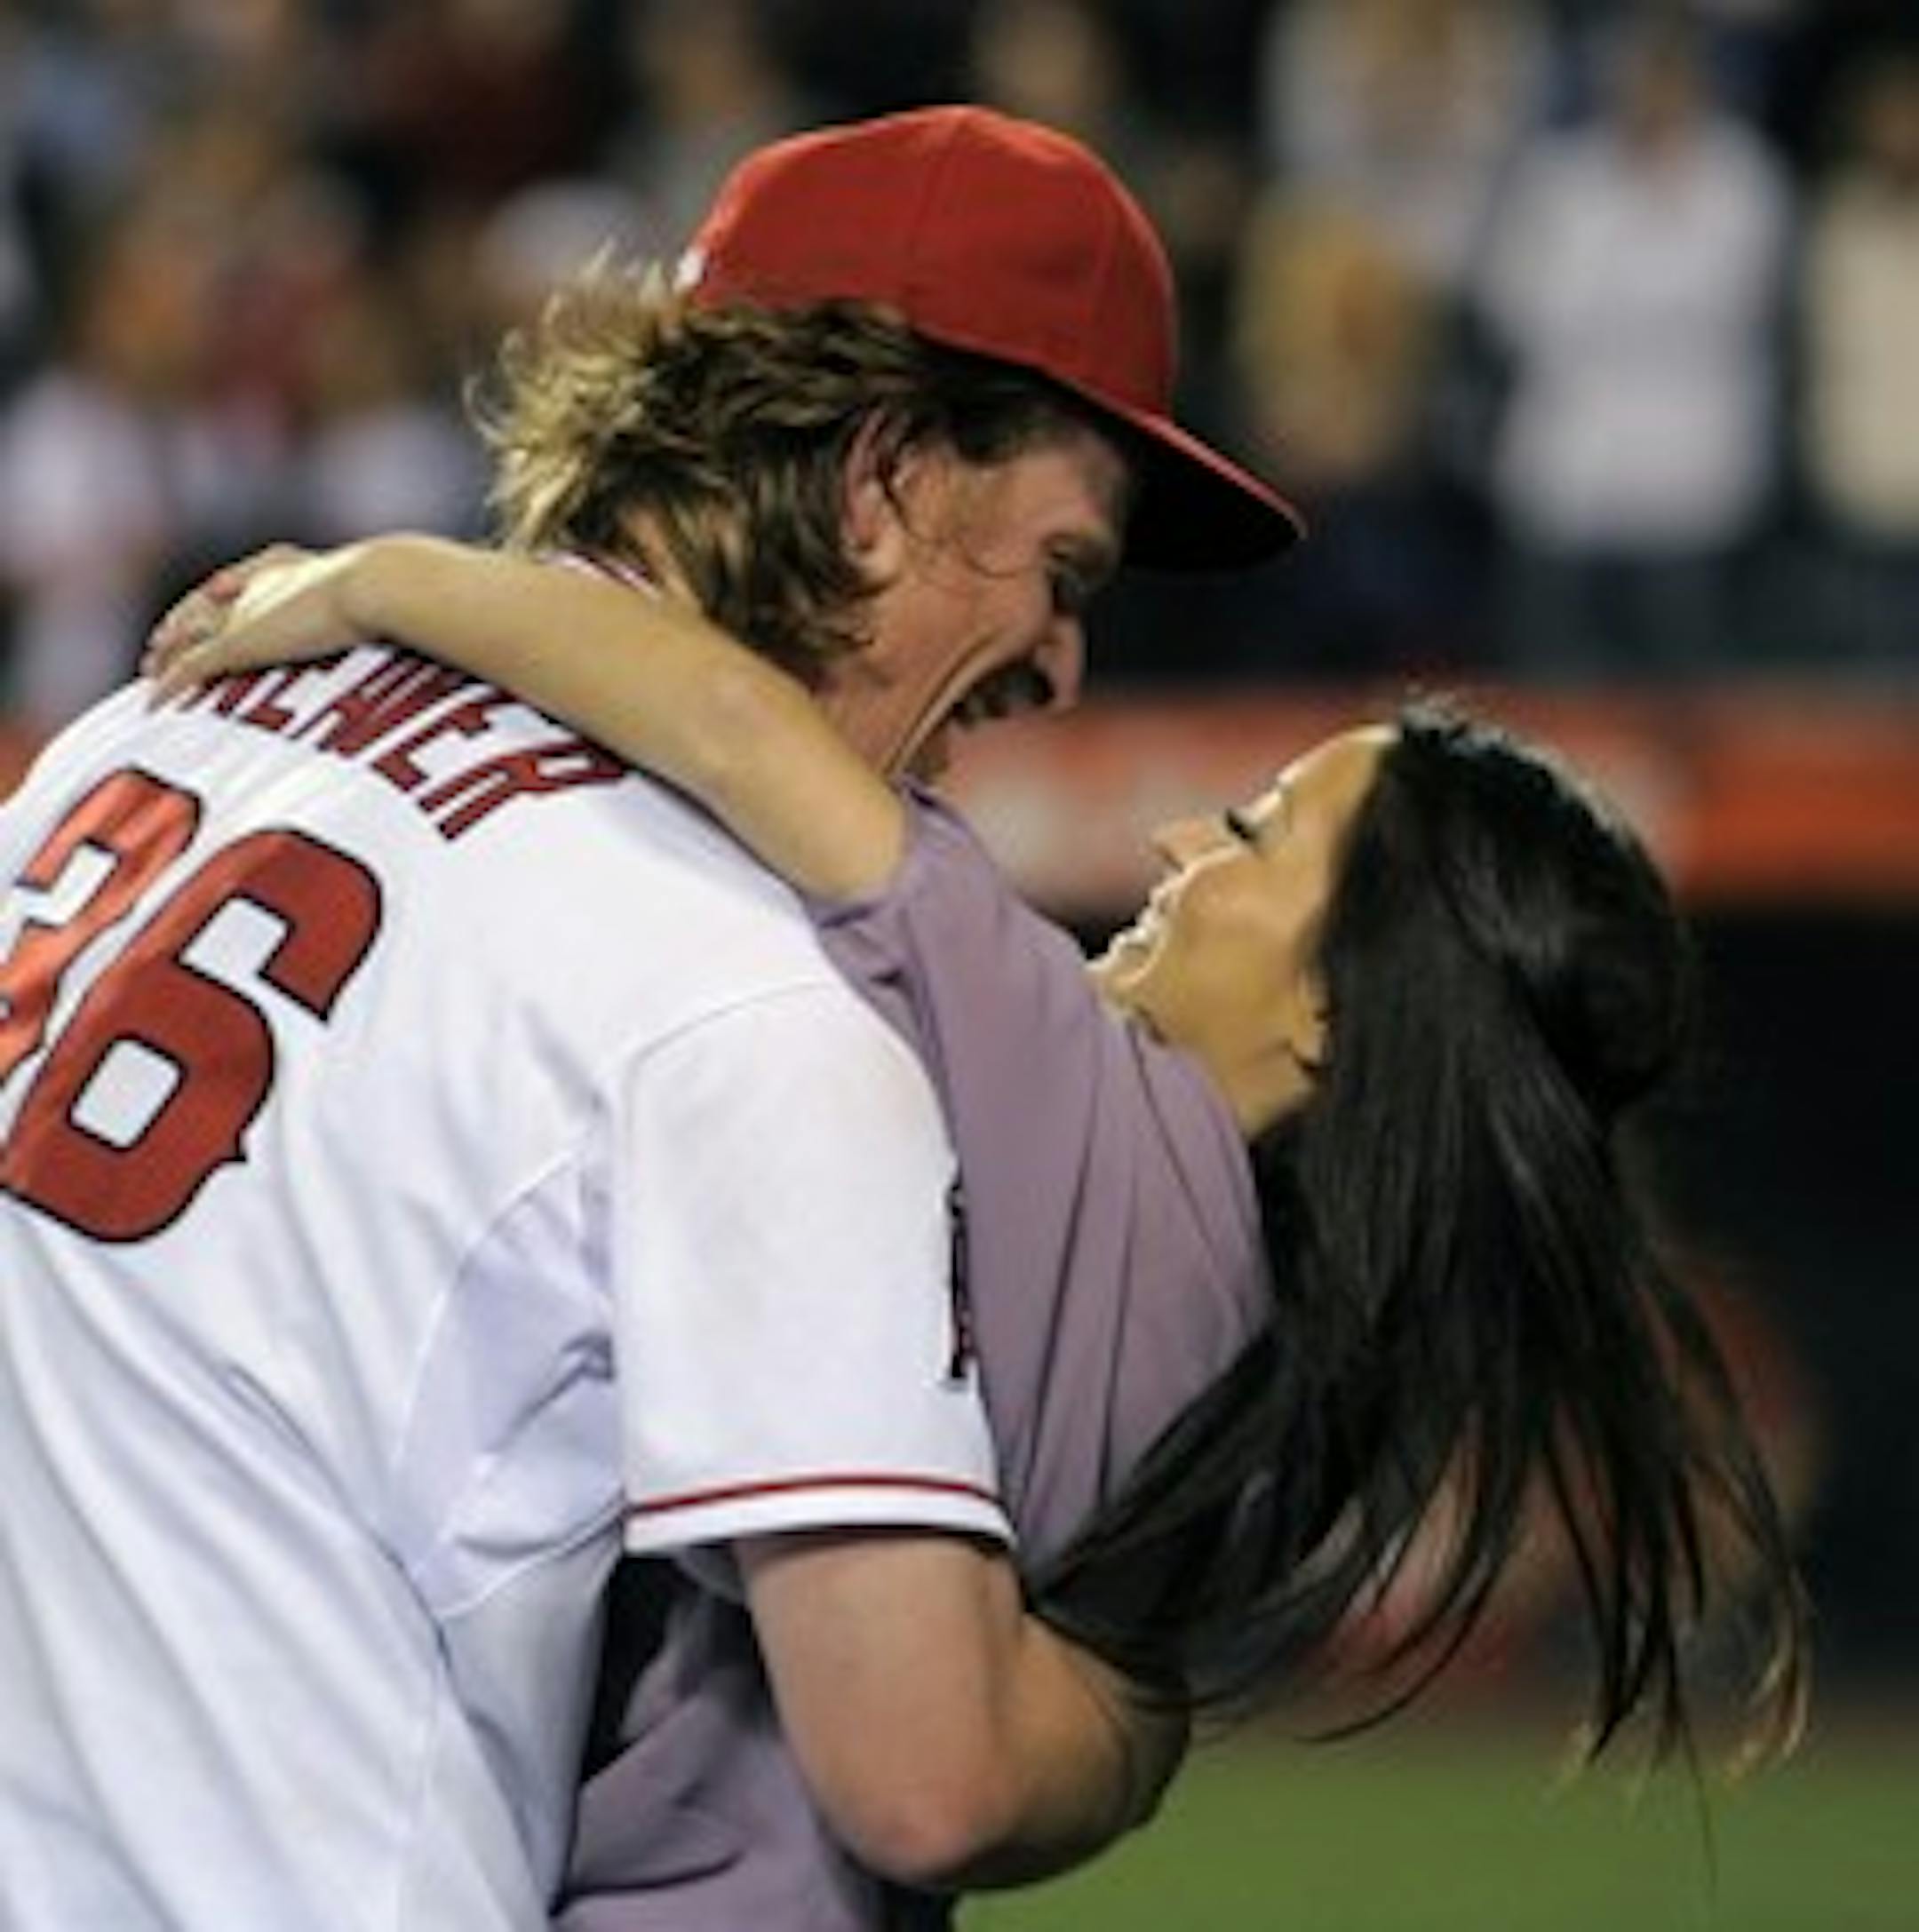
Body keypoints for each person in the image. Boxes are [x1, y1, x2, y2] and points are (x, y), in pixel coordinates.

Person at [0, 107, 1302, 1929]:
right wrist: (1150, 1699)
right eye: (1062, 569)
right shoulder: (746, 998)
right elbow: (931, 1772)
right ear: (886, 478)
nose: (1064, 659)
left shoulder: (159, 717)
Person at [145, 529, 1812, 1927]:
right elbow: (1088, 1725)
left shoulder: (1064, 1082)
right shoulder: (1282, 1342)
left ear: (1329, 1025)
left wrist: (367, 586)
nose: (1174, 842)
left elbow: (725, 714)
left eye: (1250, 840)